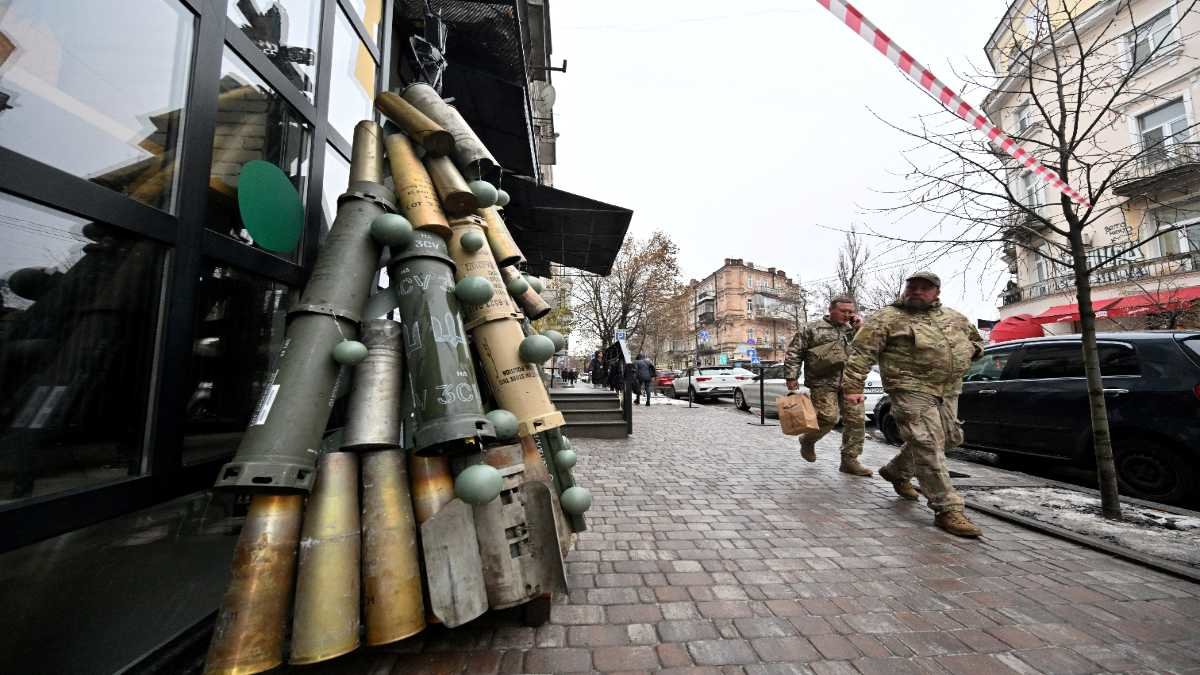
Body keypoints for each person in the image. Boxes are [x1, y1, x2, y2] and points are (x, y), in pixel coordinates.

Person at [841, 271, 986, 538]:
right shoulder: (887, 318)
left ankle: (897, 471)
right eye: (913, 287)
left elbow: (977, 341)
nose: (917, 291)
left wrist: (972, 350)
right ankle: (947, 509)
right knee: (927, 442)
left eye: (924, 288)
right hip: (909, 387)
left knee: (951, 438)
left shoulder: (954, 317)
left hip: (948, 388)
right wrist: (852, 387)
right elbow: (861, 354)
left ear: (936, 293)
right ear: (905, 289)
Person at [783, 295, 871, 477]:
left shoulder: (853, 329)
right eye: (843, 311)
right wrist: (791, 376)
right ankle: (808, 441)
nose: (847, 315)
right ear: (831, 310)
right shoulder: (812, 329)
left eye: (851, 312)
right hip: (823, 381)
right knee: (828, 418)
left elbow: (866, 349)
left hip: (851, 382)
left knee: (856, 421)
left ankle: (850, 460)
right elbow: (794, 352)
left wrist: (860, 329)